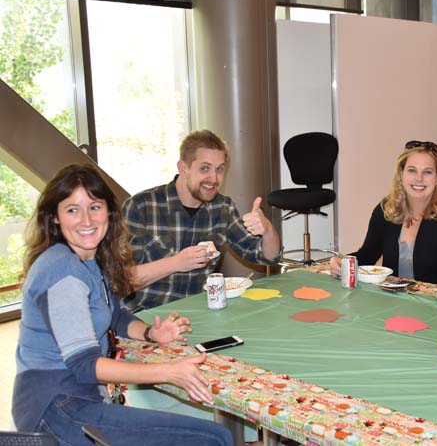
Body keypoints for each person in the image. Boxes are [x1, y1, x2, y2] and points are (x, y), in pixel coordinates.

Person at [12, 163, 232, 446]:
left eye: (94, 207)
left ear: (109, 212)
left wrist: (151, 333)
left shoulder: (90, 258)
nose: (86, 220)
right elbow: (84, 365)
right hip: (55, 408)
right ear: (54, 218)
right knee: (213, 438)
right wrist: (169, 372)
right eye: (72, 210)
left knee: (213, 435)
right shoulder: (62, 271)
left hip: (77, 399)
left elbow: (113, 314)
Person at [123, 129, 281, 312]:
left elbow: (266, 257)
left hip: (201, 313)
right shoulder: (140, 207)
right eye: (205, 168)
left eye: (219, 169)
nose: (214, 179)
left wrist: (268, 230)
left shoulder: (222, 208)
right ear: (183, 168)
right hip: (147, 316)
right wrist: (176, 263)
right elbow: (124, 280)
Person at [329, 140, 437, 284]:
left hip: (435, 301)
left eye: (427, 172)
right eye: (412, 170)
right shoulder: (387, 208)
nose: (419, 178)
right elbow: (367, 256)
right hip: (392, 299)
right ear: (401, 174)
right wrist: (342, 261)